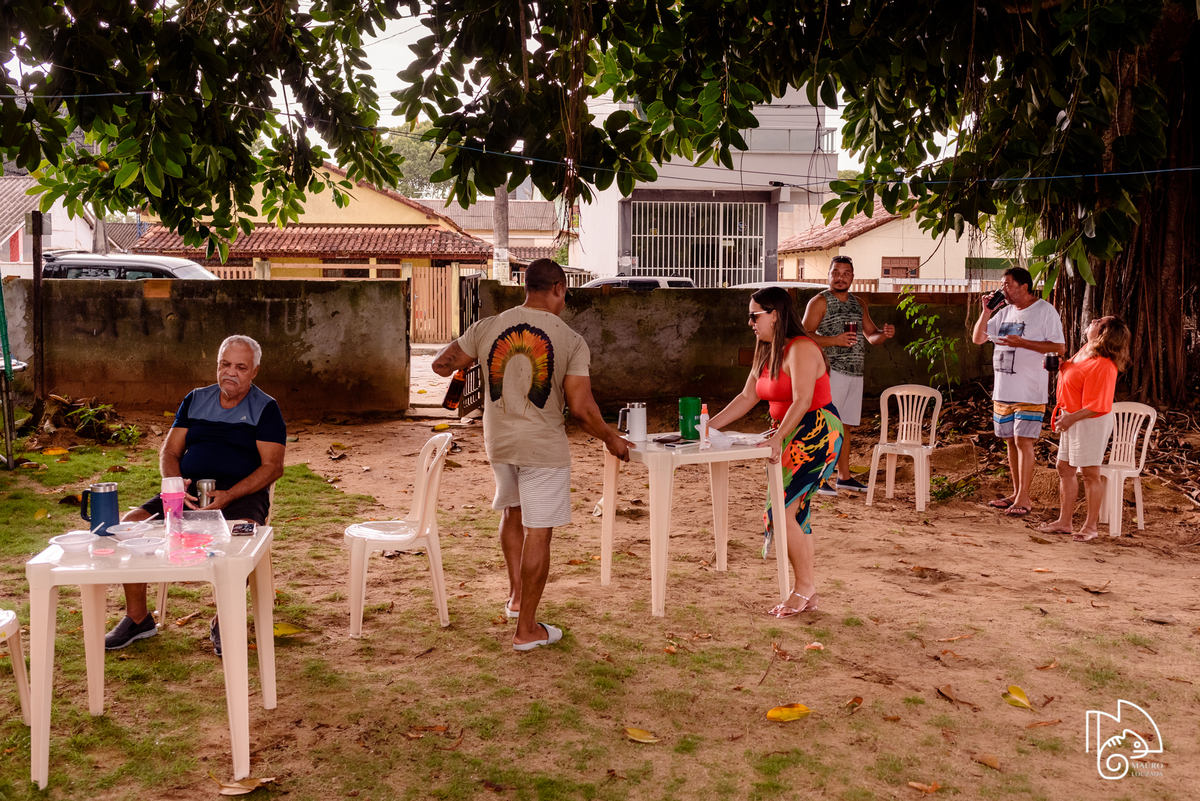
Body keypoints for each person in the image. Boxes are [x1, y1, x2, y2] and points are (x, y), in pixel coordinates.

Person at [431, 259, 630, 651]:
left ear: (527, 287)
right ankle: (526, 630)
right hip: (542, 446)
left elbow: (440, 364)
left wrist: (468, 364)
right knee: (539, 531)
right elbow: (582, 407)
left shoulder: (488, 326)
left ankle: (517, 597)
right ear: (558, 287)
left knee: (513, 512)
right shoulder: (570, 339)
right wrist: (612, 439)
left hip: (499, 441)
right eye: (566, 292)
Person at [103, 335, 287, 654]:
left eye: (240, 367)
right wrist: (176, 486)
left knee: (240, 540)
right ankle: (138, 618)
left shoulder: (266, 408)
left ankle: (222, 620)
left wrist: (229, 495)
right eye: (224, 364)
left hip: (241, 495)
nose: (230, 372)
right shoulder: (195, 399)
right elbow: (170, 452)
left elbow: (273, 467)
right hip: (186, 494)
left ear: (255, 370)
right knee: (131, 524)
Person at [708, 287, 843, 617]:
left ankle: (804, 588)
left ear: (775, 314)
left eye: (755, 315)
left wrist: (777, 438)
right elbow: (746, 397)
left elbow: (801, 400)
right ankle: (807, 587)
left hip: (816, 430)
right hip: (789, 432)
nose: (750, 322)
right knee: (795, 514)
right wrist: (707, 427)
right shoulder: (767, 351)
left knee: (780, 512)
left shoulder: (802, 349)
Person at [971, 267, 1066, 517]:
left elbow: (1059, 347)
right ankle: (1016, 492)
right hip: (1003, 390)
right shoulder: (1003, 313)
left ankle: (1024, 498)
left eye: (1008, 285)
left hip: (1030, 389)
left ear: (1024, 287)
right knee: (1010, 442)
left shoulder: (1044, 310)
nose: (1004, 289)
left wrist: (1022, 342)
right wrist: (986, 311)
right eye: (1002, 285)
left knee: (1024, 441)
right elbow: (978, 339)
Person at [801, 255, 895, 495]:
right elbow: (803, 334)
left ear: (852, 276)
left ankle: (844, 477)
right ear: (829, 274)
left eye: (845, 273)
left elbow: (871, 336)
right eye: (836, 272)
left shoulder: (858, 303)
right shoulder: (819, 302)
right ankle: (818, 478)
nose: (840, 277)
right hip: (830, 371)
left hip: (855, 372)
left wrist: (884, 334)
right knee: (824, 425)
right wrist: (834, 340)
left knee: (844, 427)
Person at [1038, 316, 1130, 542]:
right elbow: (1076, 375)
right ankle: (1064, 521)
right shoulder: (1086, 350)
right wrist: (1062, 366)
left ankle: (1091, 526)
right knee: (1064, 468)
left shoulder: (1104, 364)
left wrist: (1070, 420)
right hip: (1072, 417)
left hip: (1089, 421)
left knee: (1090, 474)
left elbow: (1099, 404)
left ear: (1104, 333)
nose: (1092, 321)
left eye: (1098, 321)